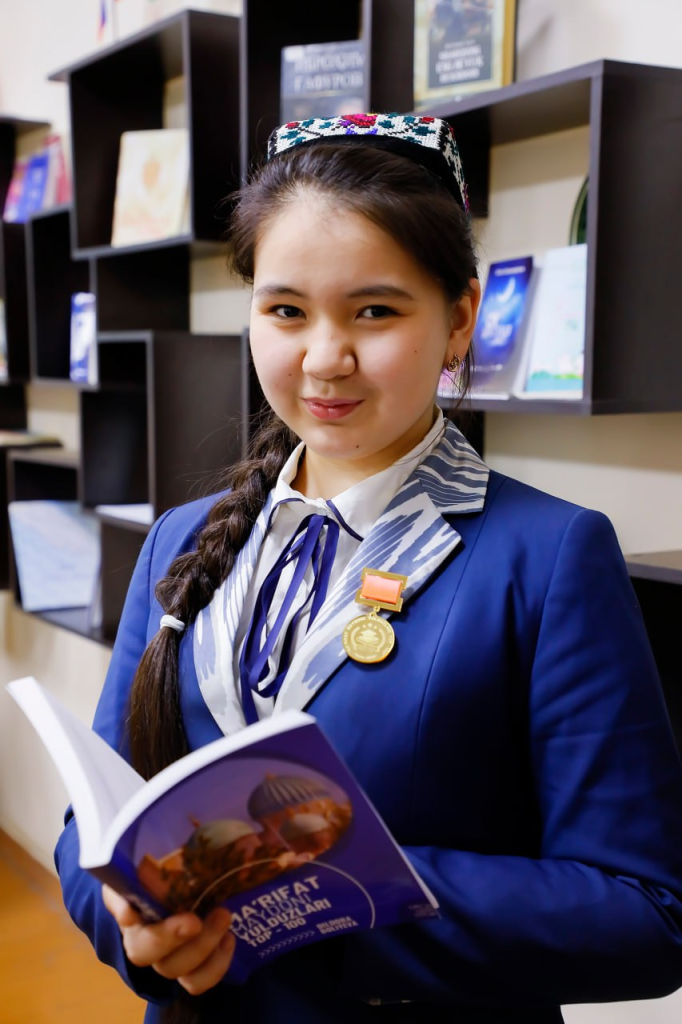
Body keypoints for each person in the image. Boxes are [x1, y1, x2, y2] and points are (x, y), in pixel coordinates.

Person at [55, 113, 682, 1023]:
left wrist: (317, 893)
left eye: (375, 311)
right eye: (285, 311)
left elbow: (645, 914)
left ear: (461, 317)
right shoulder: (181, 538)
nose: (323, 359)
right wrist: (133, 930)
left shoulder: (547, 557)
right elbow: (94, 832)